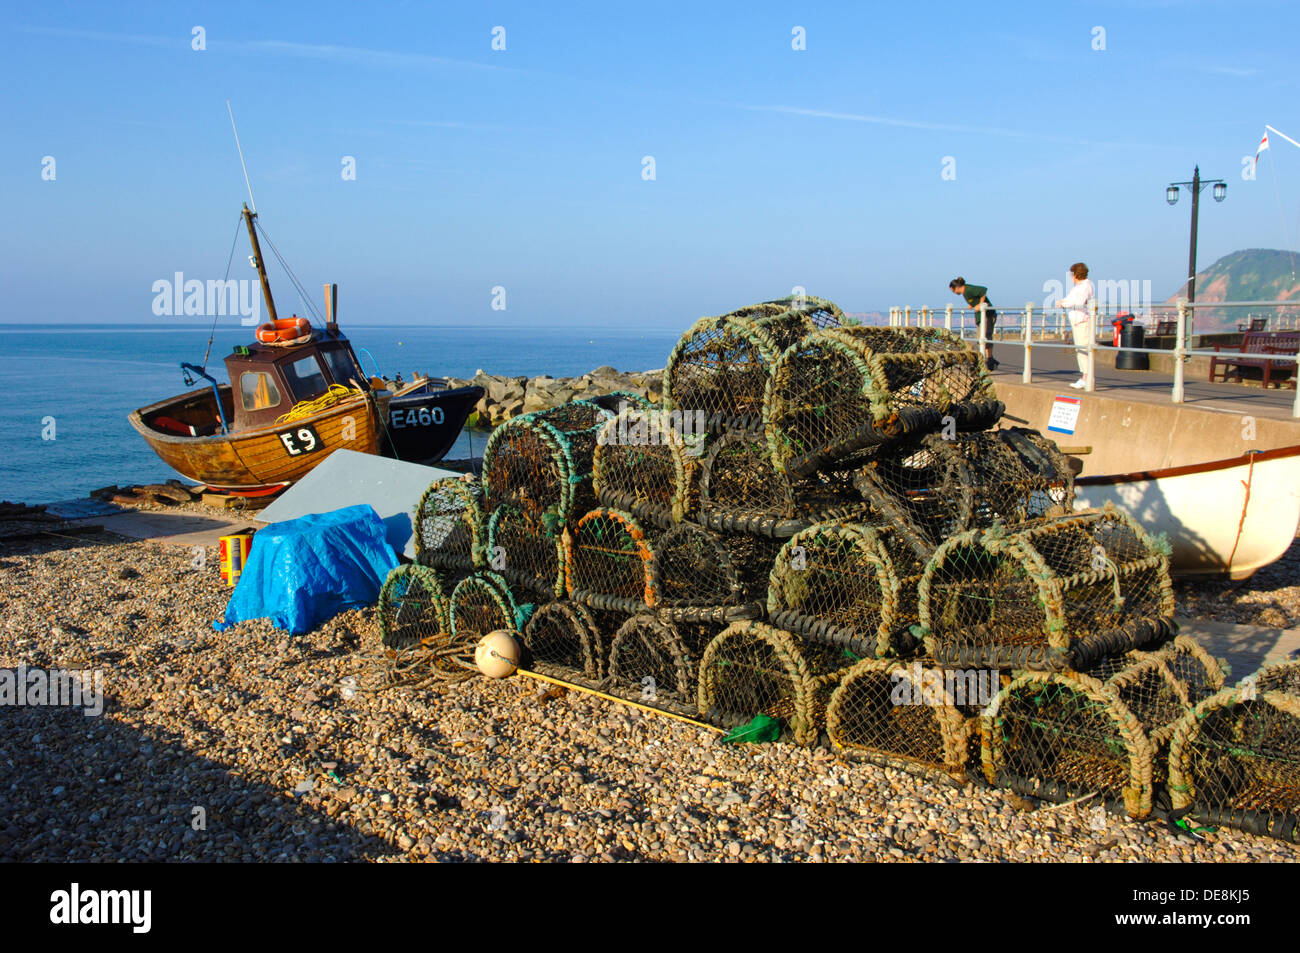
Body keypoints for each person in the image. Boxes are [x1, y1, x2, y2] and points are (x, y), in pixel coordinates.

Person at [1055, 262, 1095, 390]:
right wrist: (1063, 302)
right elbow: (1070, 299)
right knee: (1080, 349)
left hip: (1083, 321)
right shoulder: (1078, 287)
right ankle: (1085, 377)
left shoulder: (1085, 286)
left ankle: (1087, 378)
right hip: (1078, 321)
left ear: (1076, 274)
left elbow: (1078, 302)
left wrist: (1064, 304)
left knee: (1084, 349)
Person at [949, 278, 998, 370]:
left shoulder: (968, 289)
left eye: (953, 291)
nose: (954, 293)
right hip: (981, 316)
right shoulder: (965, 293)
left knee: (983, 337)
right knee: (983, 337)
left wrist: (980, 304)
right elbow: (976, 297)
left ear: (956, 287)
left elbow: (983, 290)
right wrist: (973, 304)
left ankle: (985, 360)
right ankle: (989, 359)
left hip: (987, 315)